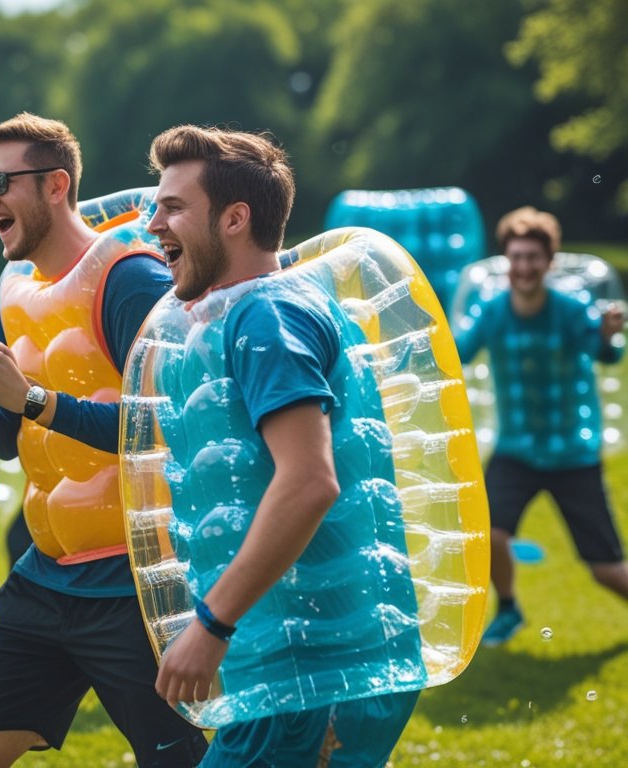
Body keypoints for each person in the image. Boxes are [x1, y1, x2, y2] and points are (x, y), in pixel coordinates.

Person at [0, 113, 208, 767]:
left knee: (179, 761)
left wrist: (35, 400)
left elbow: (166, 426)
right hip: (43, 577)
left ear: (56, 184)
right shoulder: (15, 289)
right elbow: (12, 437)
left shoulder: (131, 281)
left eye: (1, 182)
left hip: (134, 581)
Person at [145, 124, 423, 765]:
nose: (153, 224)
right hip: (301, 653)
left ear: (235, 218)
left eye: (173, 207)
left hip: (313, 664)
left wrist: (212, 624)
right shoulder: (259, 308)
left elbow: (309, 480)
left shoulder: (269, 316)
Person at [452, 206, 628, 646]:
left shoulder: (570, 309)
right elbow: (459, 352)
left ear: (549, 262)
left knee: (605, 569)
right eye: (517, 257)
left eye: (533, 258)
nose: (524, 266)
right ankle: (509, 608)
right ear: (507, 261)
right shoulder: (492, 311)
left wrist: (607, 334)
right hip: (515, 452)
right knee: (488, 533)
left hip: (572, 453)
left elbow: (606, 355)